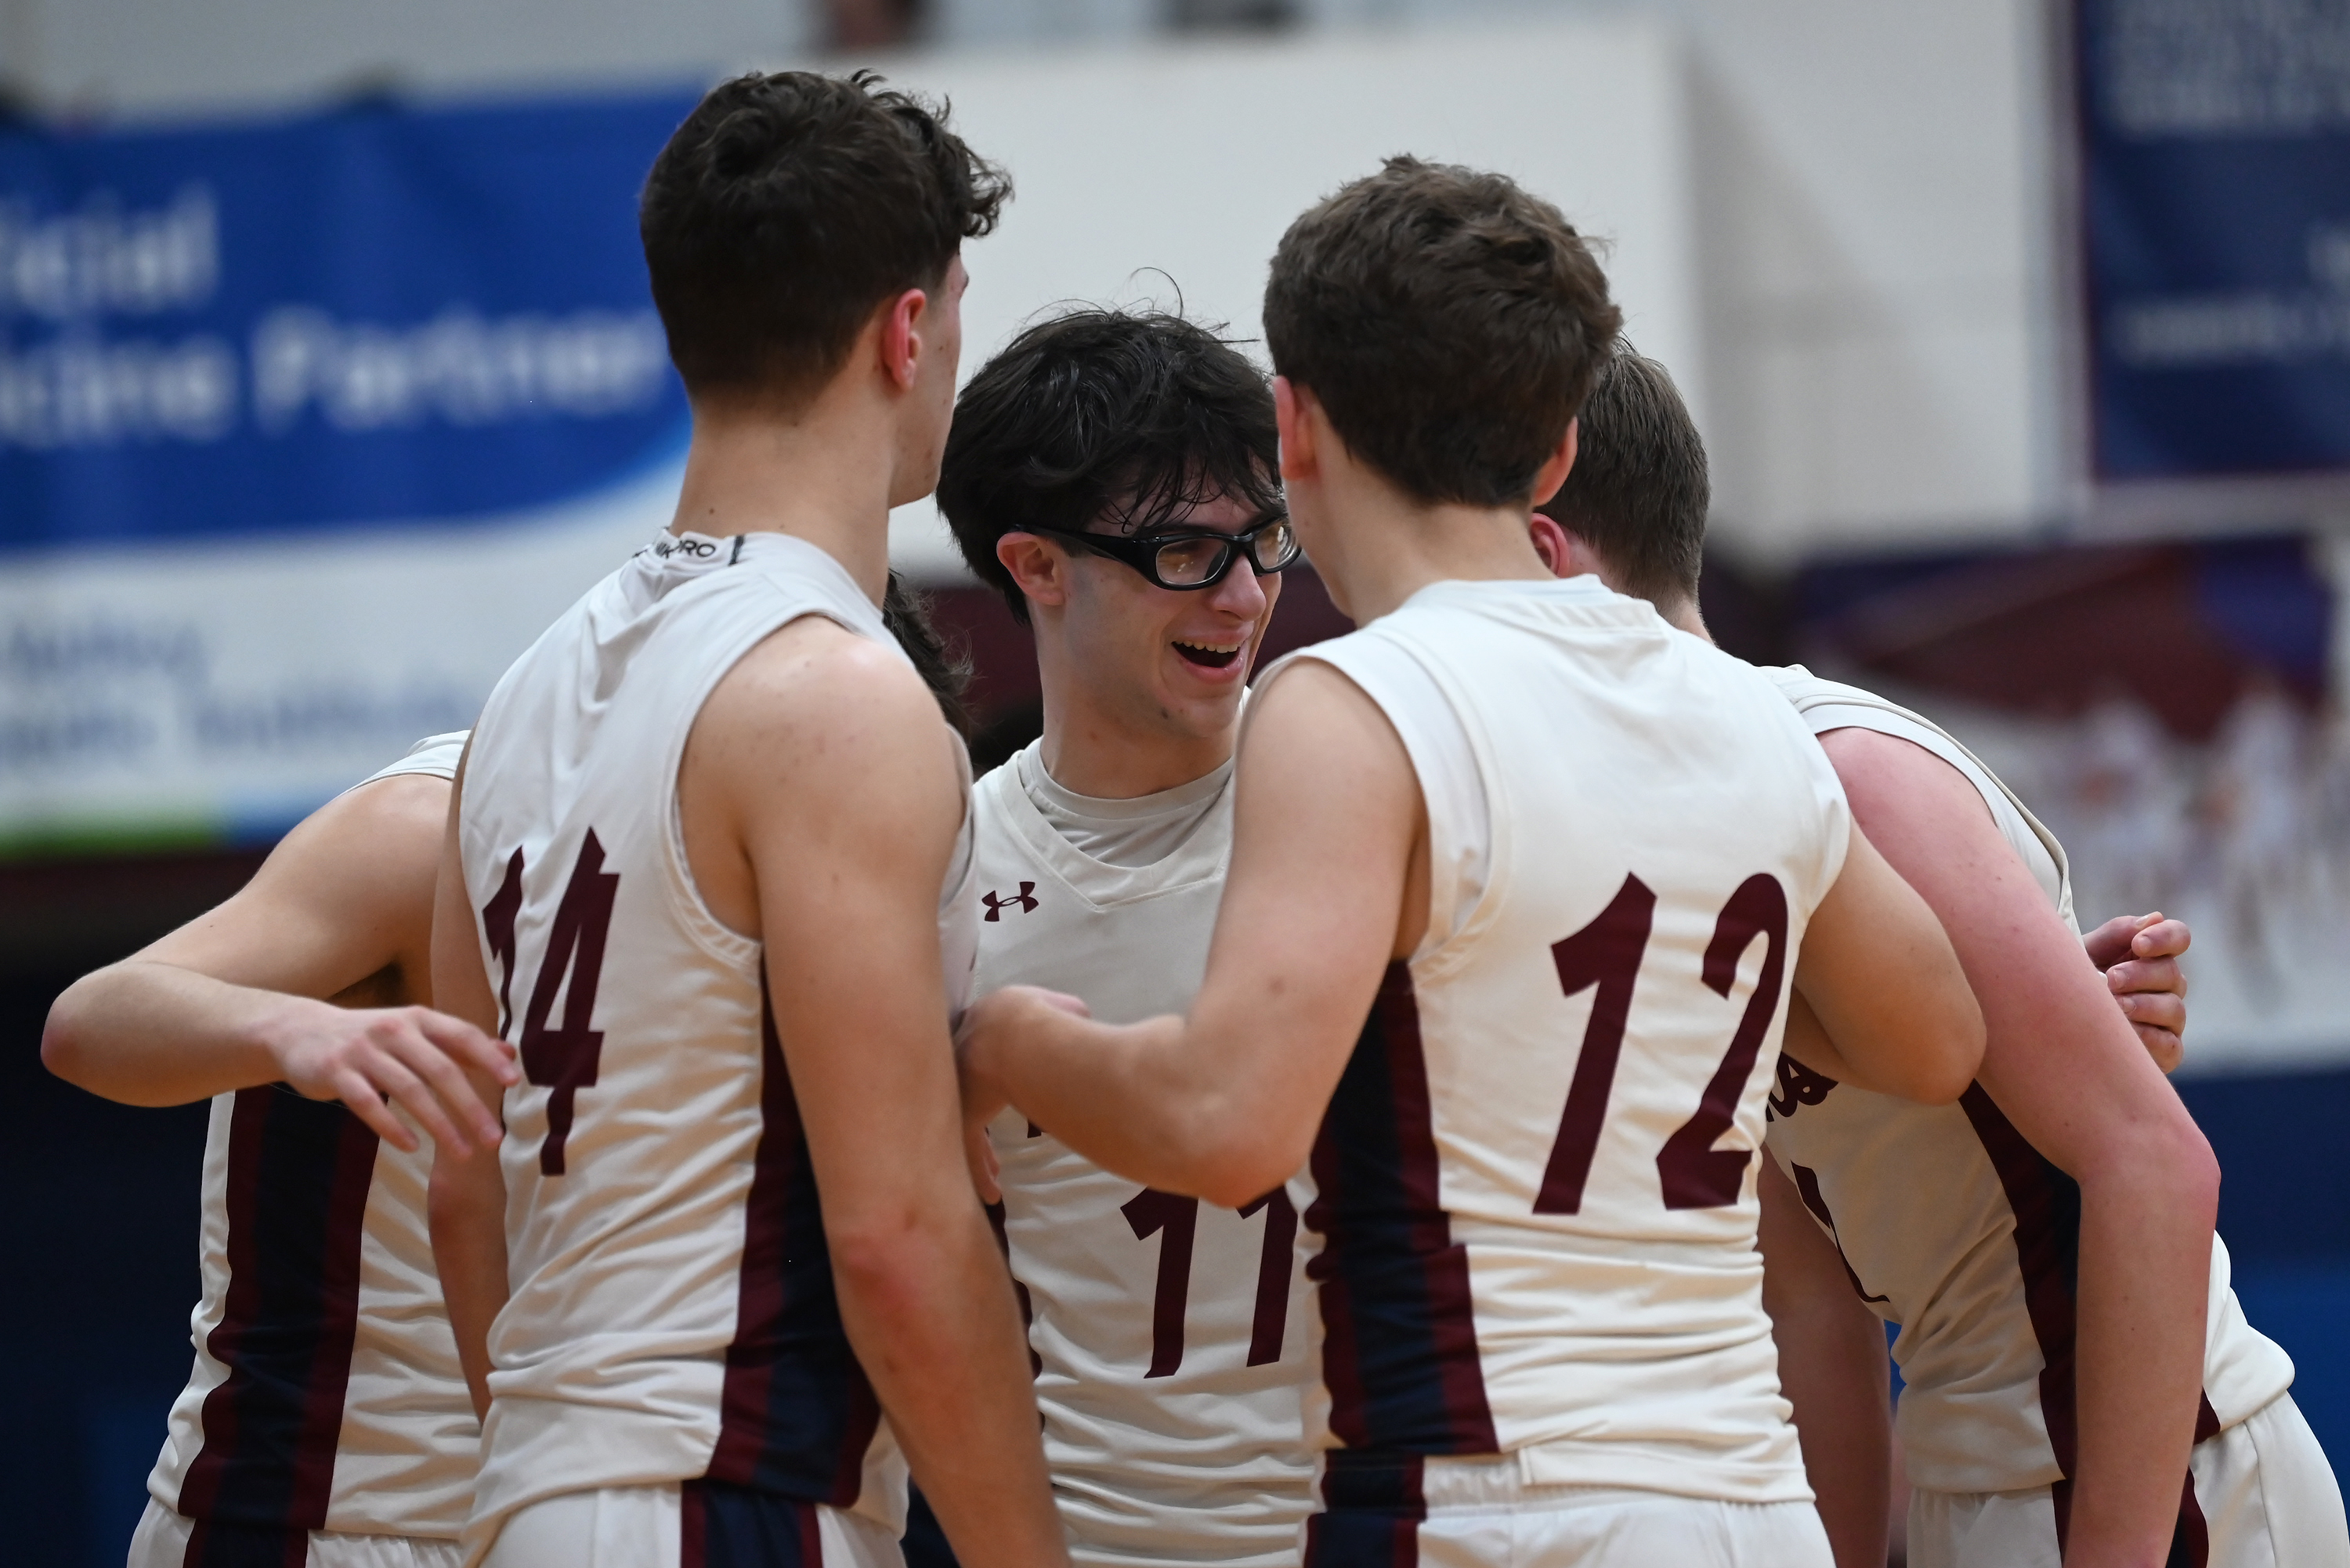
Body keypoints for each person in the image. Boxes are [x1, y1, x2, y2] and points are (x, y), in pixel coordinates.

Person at [959, 157, 1988, 1566]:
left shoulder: (1359, 706)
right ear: (1560, 451)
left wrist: (1010, 1039)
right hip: (1747, 1502)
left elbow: (1231, 1125)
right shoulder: (1731, 703)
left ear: (1296, 427)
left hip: (1500, 1500)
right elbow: (1934, 1040)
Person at [1534, 344, 2350, 1568]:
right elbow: (1812, 1302)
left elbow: (2157, 1165)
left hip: (2146, 1472)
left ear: (1552, 561)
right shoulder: (1668, 832)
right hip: (1984, 1481)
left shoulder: (1847, 776)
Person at [424, 71, 1065, 1568]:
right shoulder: (835, 697)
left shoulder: (518, 696)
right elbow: (898, 1237)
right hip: (729, 1501)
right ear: (908, 331)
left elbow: (465, 1181)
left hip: (536, 1498)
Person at [932, 307, 1312, 1564]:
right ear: (1037, 566)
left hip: (1394, 1524)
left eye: (1263, 541)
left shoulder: (1354, 785)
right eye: (1187, 554)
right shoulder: (942, 869)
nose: (1249, 595)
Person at [42, 732, 517, 1568]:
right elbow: (91, 1021)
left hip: (586, 1497)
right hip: (331, 1522)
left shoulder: (721, 845)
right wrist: (294, 1026)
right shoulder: (424, 825)